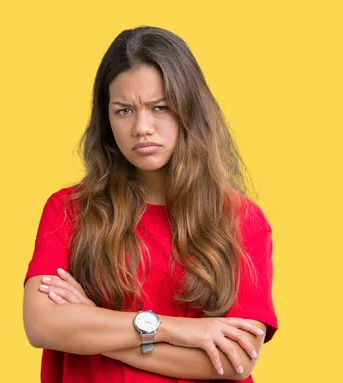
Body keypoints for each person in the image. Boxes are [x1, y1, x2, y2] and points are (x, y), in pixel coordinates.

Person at [22, 26, 277, 383]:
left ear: (189, 109)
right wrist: (172, 330)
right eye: (123, 111)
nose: (142, 127)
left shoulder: (240, 220)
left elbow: (234, 361)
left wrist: (90, 324)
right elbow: (42, 324)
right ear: (106, 119)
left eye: (160, 108)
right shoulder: (68, 209)